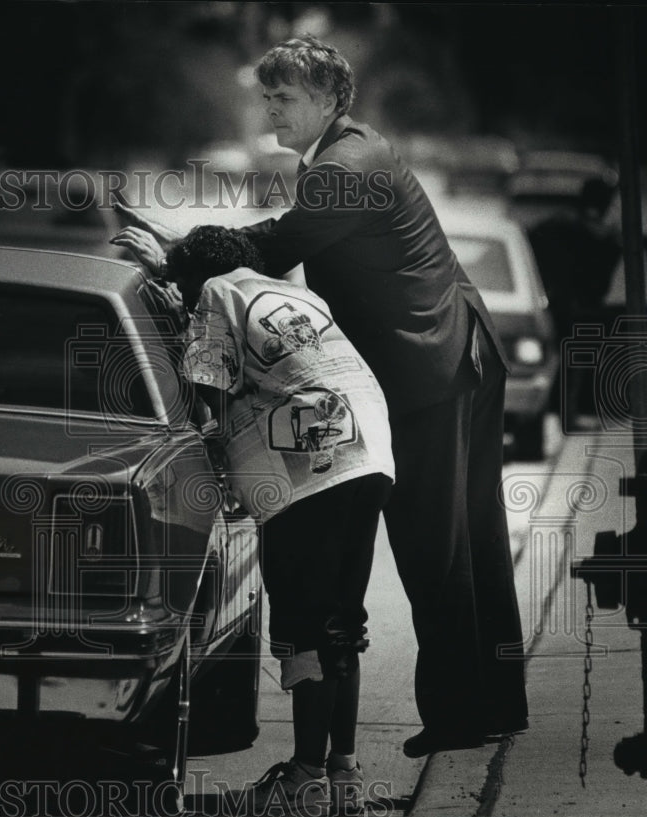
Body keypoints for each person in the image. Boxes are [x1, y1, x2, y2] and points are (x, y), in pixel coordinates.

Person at [112, 34, 529, 759]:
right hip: (449, 349)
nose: (272, 110)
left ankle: (464, 712)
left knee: (437, 543)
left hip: (430, 361)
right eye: (266, 96)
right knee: (469, 538)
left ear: (333, 100)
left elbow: (276, 245)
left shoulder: (347, 166)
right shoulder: (342, 156)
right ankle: (489, 703)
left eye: (287, 97)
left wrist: (174, 255)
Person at [162, 224, 393, 816]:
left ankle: (305, 779)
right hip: (368, 454)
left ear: (200, 273)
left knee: (301, 623)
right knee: (342, 620)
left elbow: (206, 391)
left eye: (184, 287)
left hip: (306, 466)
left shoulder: (216, 292)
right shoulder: (298, 296)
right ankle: (342, 776)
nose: (188, 300)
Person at [527, 176, 621, 428]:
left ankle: (556, 414)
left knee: (556, 359)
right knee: (571, 360)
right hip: (573, 304)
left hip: (554, 298)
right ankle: (566, 415)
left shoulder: (554, 224)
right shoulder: (592, 233)